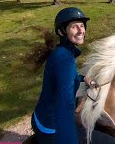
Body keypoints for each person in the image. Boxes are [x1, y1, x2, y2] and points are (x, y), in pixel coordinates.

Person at [31, 7, 92, 144]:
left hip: (40, 116)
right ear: (61, 31)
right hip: (51, 127)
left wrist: (83, 78)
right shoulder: (65, 58)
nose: (81, 30)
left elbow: (65, 78)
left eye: (82, 26)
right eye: (74, 27)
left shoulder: (62, 52)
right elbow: (65, 104)